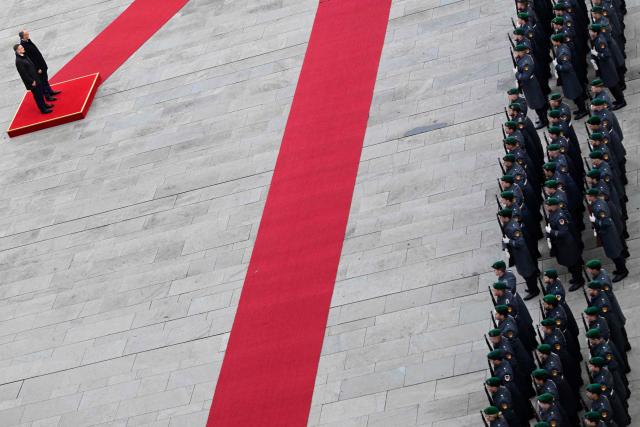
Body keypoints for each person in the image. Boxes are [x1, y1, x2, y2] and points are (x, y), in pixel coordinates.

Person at [19, 29, 60, 101]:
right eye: (27, 34)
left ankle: (50, 91)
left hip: (42, 64)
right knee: (43, 82)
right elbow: (31, 59)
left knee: (45, 80)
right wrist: (38, 68)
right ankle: (47, 96)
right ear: (23, 36)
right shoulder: (23, 45)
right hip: (38, 67)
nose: (28, 35)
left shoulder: (28, 41)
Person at [13, 44, 52, 114]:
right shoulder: (18, 61)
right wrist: (31, 81)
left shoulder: (24, 55)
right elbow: (23, 74)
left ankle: (44, 105)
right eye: (21, 48)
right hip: (32, 82)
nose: (23, 48)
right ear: (17, 51)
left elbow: (31, 65)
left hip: (36, 78)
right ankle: (43, 109)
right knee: (37, 95)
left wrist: (37, 69)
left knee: (40, 93)